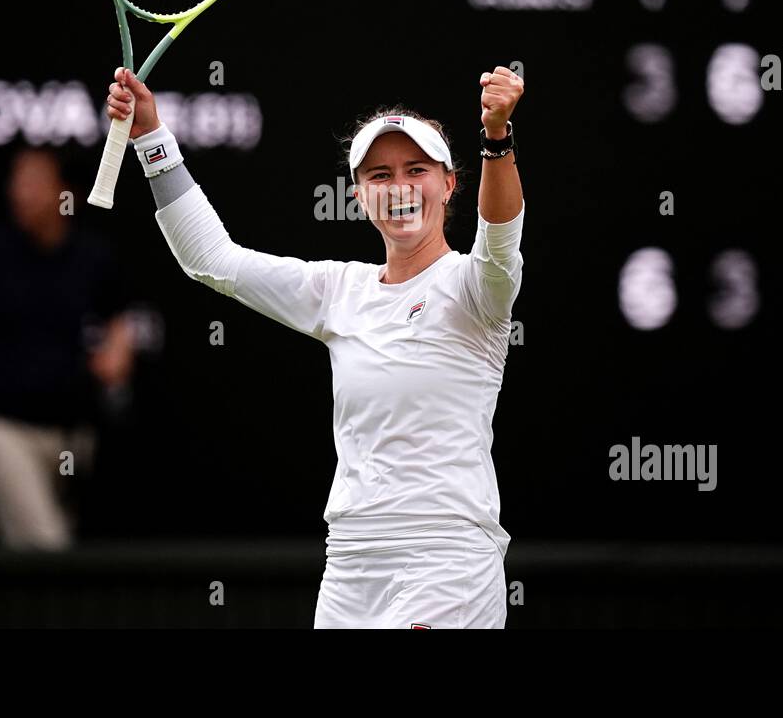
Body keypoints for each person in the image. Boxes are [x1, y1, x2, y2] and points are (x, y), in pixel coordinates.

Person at [107, 64, 525, 628]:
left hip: (445, 560)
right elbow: (211, 260)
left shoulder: (476, 286)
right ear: (358, 195)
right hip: (350, 565)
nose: (398, 186)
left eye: (416, 169)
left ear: (450, 184)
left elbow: (500, 238)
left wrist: (497, 139)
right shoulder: (338, 290)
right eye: (379, 175)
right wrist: (151, 137)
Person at [0, 146, 135, 550]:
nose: (22, 193)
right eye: (17, 182)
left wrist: (117, 353)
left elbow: (120, 316)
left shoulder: (91, 256)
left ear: (63, 191)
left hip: (72, 434)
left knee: (67, 541)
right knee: (44, 543)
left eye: (35, 182)